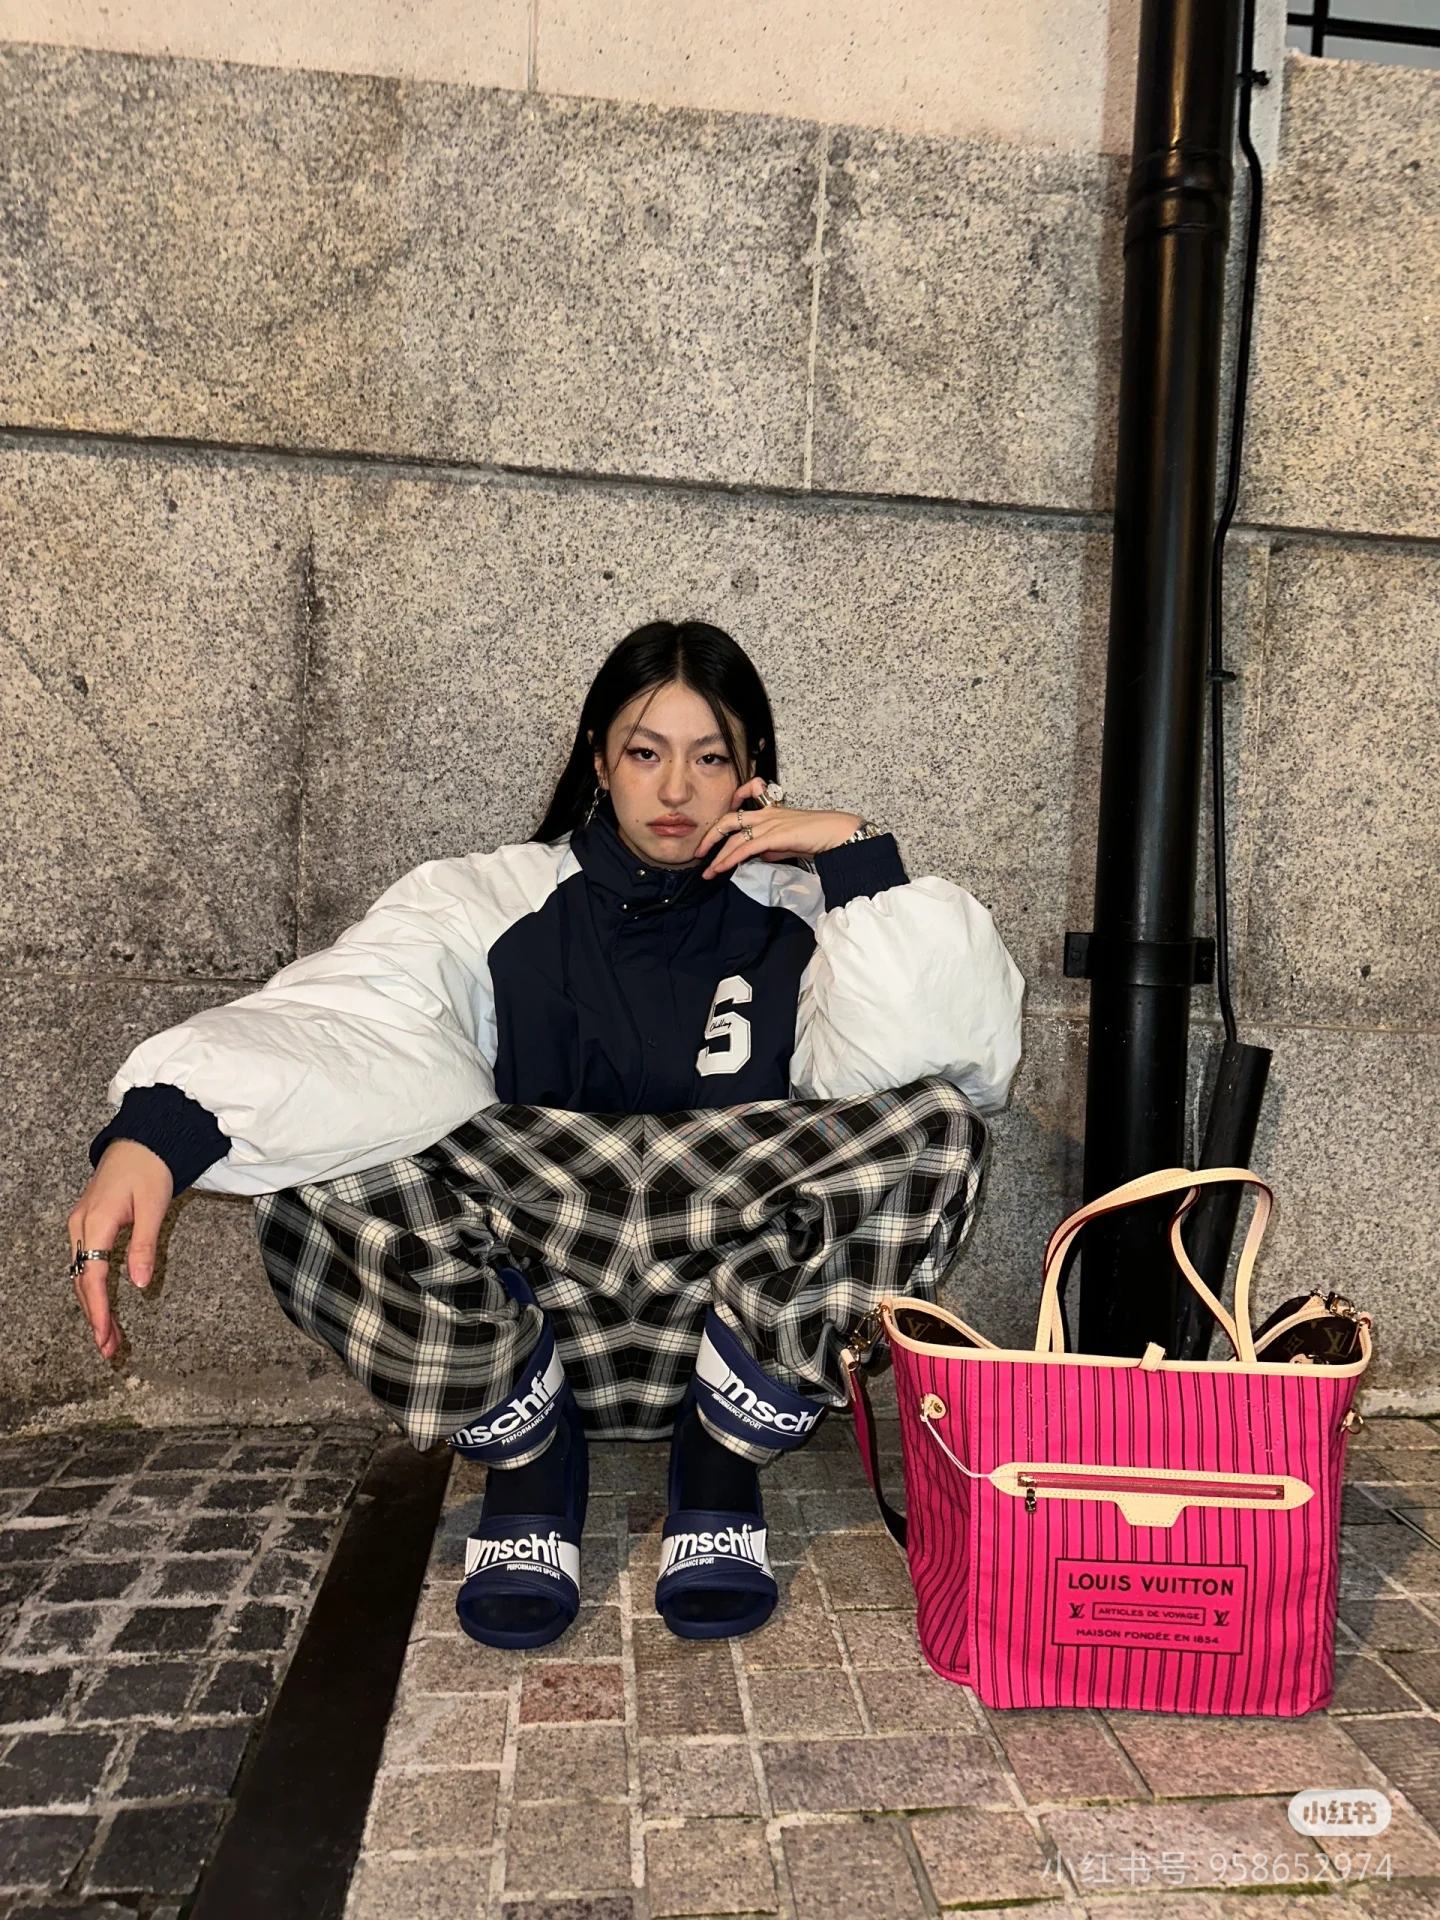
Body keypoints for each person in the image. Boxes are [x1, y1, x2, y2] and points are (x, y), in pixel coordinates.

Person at [66, 619, 1025, 1650]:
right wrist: (163, 1129)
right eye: (646, 752)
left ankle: (718, 1463)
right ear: (598, 761)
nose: (675, 789)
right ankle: (530, 1464)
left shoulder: (805, 912)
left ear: (754, 770)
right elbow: (349, 1019)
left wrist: (858, 859)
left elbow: (947, 1062)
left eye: (710, 758)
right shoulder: (491, 898)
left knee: (939, 1125)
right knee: (319, 1169)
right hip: (532, 1336)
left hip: (730, 1340)